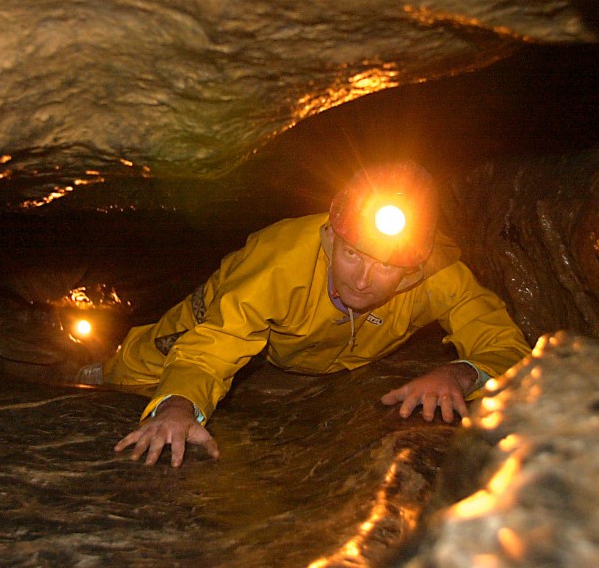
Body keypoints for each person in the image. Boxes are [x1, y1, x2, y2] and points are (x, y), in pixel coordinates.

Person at [102, 161, 530, 467]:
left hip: (306, 353)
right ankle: (97, 369)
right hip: (210, 321)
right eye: (352, 254)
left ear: (412, 270)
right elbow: (213, 347)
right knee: (138, 368)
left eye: (386, 266)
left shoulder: (439, 275)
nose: (363, 279)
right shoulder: (279, 262)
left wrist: (461, 373)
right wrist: (178, 405)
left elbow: (506, 345)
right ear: (329, 240)